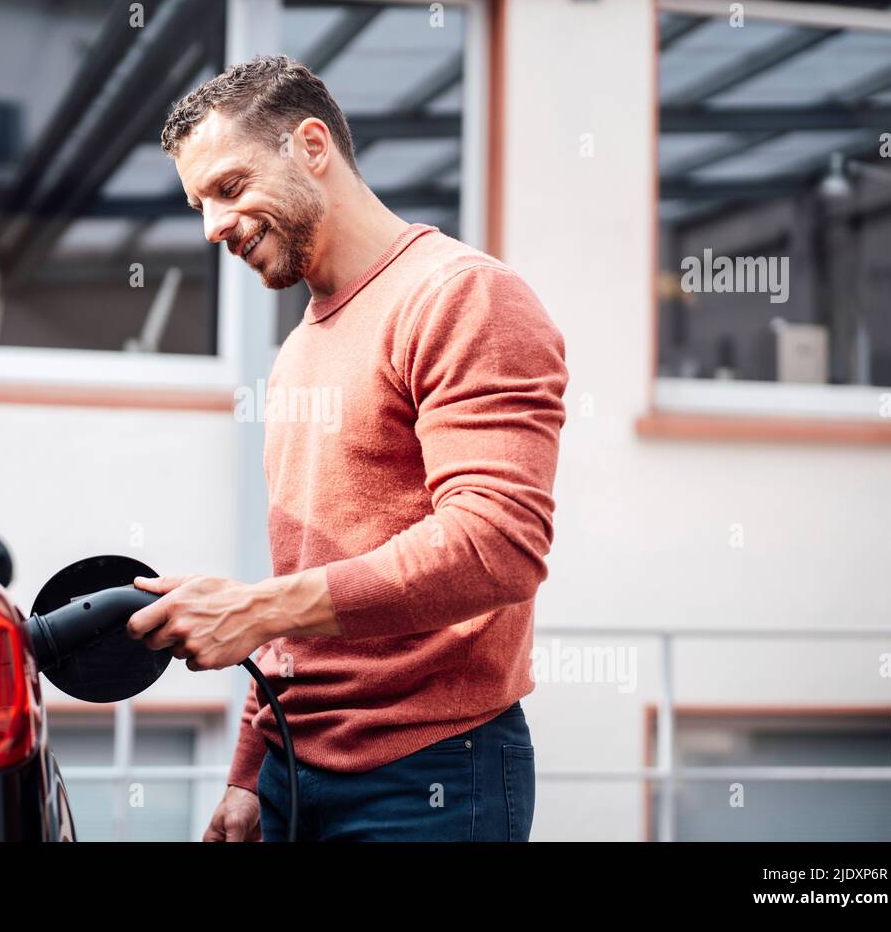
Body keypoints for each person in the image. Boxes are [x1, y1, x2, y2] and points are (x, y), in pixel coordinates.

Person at [125, 55, 568, 841]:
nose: (212, 227)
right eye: (199, 204)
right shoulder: (301, 347)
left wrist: (251, 609)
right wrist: (248, 772)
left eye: (229, 189)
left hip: (429, 777)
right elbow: (305, 582)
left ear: (312, 145)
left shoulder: (463, 296)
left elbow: (498, 545)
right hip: (295, 771)